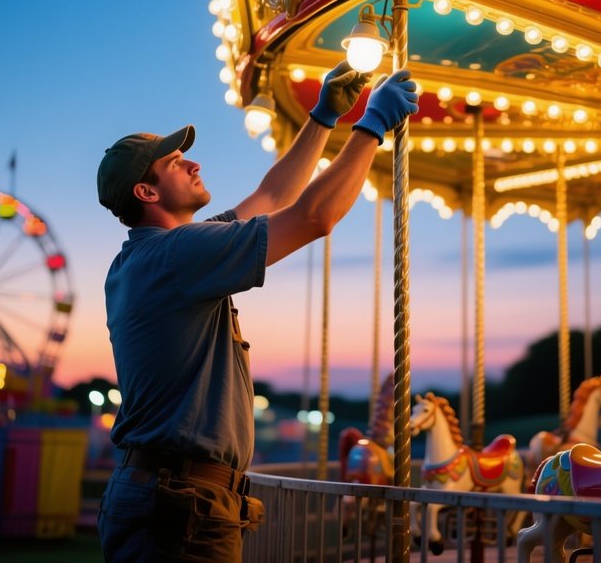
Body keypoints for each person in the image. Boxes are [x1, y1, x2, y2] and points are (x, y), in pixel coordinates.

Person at [95, 61, 419, 562]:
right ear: (146, 192)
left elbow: (270, 198)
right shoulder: (175, 254)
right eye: (176, 162)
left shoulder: (152, 257)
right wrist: (371, 127)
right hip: (182, 504)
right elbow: (313, 217)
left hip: (171, 493)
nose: (193, 164)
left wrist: (322, 118)